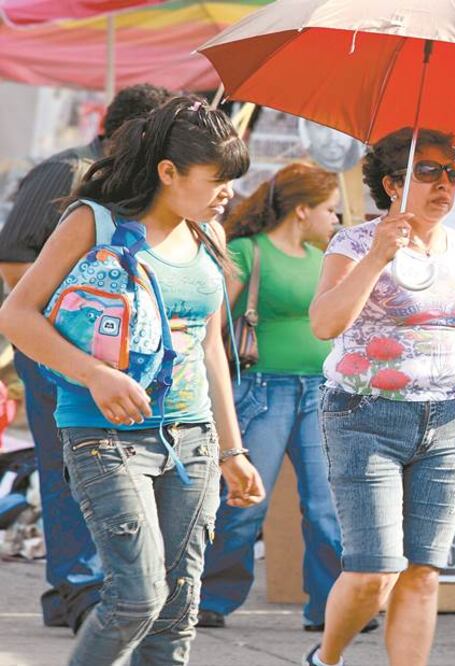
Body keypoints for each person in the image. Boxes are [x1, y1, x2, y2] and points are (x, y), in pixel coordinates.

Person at [0, 96, 265, 665]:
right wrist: (94, 374)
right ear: (168, 172)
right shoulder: (93, 221)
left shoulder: (208, 235)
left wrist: (231, 448)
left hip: (193, 437)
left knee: (178, 610)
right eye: (218, 179)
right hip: (105, 435)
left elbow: (210, 351)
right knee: (137, 597)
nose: (229, 194)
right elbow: (17, 315)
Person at [303, 127, 455, 666]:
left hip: (449, 418)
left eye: (453, 173)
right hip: (364, 416)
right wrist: (379, 255)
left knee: (423, 572)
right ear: (391, 182)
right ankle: (325, 660)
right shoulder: (353, 243)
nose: (444, 183)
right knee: (374, 572)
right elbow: (325, 322)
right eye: (428, 171)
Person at [0, 83, 171, 631]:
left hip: (126, 359)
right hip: (58, 350)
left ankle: (90, 592)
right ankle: (79, 590)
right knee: (66, 468)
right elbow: (12, 266)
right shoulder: (67, 172)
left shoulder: (146, 193)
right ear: (134, 134)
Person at [197, 162, 369, 633]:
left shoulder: (323, 259)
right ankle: (212, 597)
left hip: (321, 392)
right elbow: (208, 322)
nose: (335, 220)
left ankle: (330, 608)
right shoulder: (246, 251)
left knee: (325, 504)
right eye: (330, 210)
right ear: (301, 211)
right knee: (245, 498)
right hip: (262, 390)